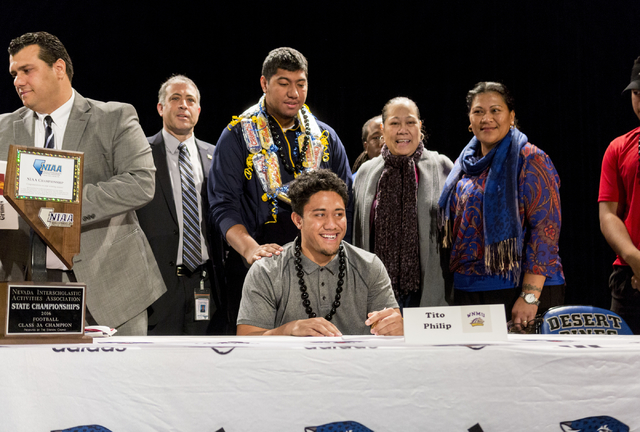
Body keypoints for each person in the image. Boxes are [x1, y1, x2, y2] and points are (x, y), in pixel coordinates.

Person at [0, 32, 165, 335]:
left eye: (27, 70)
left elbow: (140, 182)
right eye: (14, 74)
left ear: (59, 68)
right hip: (28, 292)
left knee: (120, 382)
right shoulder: (2, 128)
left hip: (113, 289)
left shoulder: (114, 117)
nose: (18, 81)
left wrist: (57, 205)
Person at [207, 47, 353, 328]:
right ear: (264, 83)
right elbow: (222, 206)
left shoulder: (325, 138)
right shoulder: (237, 135)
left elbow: (347, 202)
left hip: (320, 267)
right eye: (284, 83)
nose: (294, 93)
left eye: (301, 84)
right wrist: (250, 249)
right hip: (258, 268)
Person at [439, 81, 564, 328]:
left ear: (511, 116)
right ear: (469, 118)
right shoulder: (463, 165)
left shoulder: (530, 158)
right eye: (478, 111)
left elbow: (546, 231)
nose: (487, 118)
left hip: (518, 291)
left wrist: (530, 296)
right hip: (470, 290)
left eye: (495, 110)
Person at [236, 169, 401, 336]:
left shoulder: (369, 266)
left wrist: (397, 328)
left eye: (339, 214)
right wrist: (289, 329)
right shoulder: (267, 271)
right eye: (320, 215)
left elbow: (392, 330)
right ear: (298, 220)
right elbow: (246, 340)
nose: (331, 224)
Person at [136, 75, 224, 335]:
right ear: (161, 108)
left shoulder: (216, 156)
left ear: (198, 110)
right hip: (156, 285)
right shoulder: (139, 153)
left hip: (207, 282)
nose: (183, 105)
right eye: (175, 99)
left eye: (190, 100)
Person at [353, 97, 453, 308]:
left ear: (420, 126)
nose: (402, 130)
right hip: (375, 293)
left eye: (410, 122)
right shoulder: (366, 173)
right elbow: (356, 237)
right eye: (394, 123)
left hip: (429, 292)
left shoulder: (442, 167)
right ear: (383, 128)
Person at [599, 56, 640, 334]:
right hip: (630, 277)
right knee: (623, 371)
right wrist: (636, 260)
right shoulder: (619, 147)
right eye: (637, 93)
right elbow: (609, 215)